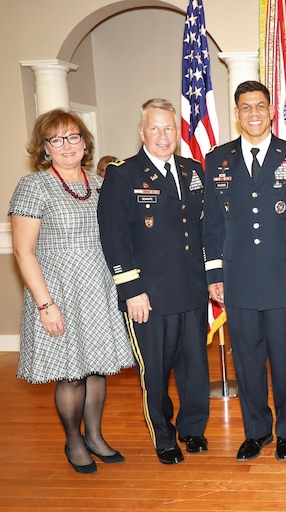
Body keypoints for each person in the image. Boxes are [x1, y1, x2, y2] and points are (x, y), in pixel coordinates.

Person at [9, 109, 135, 474]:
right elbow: (23, 251)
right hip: (58, 291)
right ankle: (74, 439)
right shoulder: (33, 186)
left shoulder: (101, 184)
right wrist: (45, 304)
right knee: (72, 373)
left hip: (99, 286)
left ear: (85, 143)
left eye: (74, 137)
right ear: (44, 148)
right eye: (57, 139)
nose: (67, 146)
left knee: (97, 368)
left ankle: (95, 436)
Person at [203, 81, 286, 462]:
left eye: (260, 106)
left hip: (285, 274)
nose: (253, 113)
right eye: (245, 107)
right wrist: (214, 273)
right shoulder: (216, 159)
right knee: (247, 360)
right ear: (237, 114)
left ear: (271, 112)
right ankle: (256, 432)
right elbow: (213, 223)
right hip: (238, 277)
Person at [97, 98, 210, 465]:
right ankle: (164, 436)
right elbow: (114, 237)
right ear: (142, 132)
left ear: (178, 132)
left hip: (192, 291)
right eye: (155, 128)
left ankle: (193, 429)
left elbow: (204, 228)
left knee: (195, 368)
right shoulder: (123, 174)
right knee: (156, 373)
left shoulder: (193, 170)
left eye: (169, 128)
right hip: (149, 296)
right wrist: (131, 290)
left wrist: (211, 278)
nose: (163, 136)